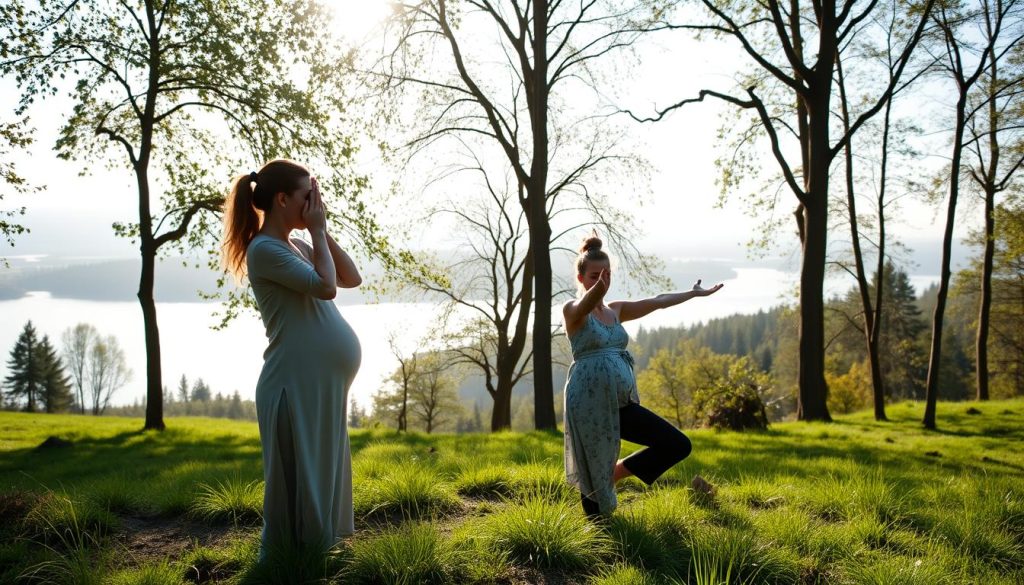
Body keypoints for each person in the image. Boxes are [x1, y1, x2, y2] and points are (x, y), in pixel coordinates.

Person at [221, 159, 362, 556]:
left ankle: (321, 552)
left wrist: (321, 232)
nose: (315, 203)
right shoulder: (264, 250)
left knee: (322, 468)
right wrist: (316, 229)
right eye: (307, 195)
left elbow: (351, 277)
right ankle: (296, 561)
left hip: (316, 380)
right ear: (282, 199)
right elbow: (325, 288)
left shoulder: (296, 244)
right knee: (302, 475)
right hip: (293, 382)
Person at [562, 234, 723, 518]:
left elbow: (658, 301)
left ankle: (615, 473)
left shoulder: (616, 310)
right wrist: (596, 290)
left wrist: (693, 293)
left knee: (676, 444)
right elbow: (585, 304)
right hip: (587, 405)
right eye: (595, 276)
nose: (602, 280)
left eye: (607, 274)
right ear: (581, 277)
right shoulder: (573, 311)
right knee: (596, 508)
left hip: (620, 402)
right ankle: (597, 539)